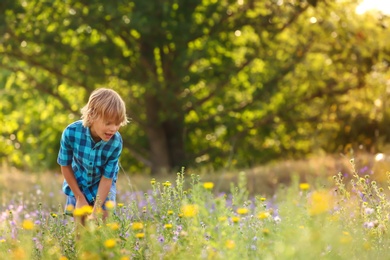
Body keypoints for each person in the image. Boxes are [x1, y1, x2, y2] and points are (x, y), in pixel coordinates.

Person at [57, 88, 128, 222]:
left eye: (117, 124)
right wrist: (79, 197)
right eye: (108, 123)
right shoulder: (71, 133)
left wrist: (96, 210)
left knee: (103, 222)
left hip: (102, 183)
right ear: (91, 116)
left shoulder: (116, 142)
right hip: (78, 182)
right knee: (81, 228)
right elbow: (65, 166)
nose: (113, 128)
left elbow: (107, 179)